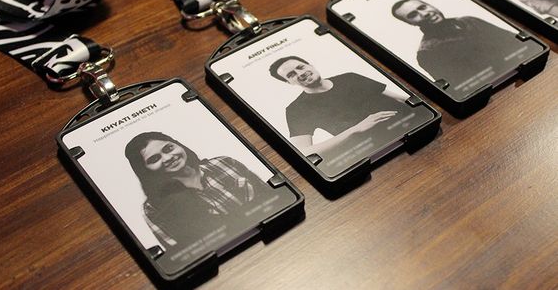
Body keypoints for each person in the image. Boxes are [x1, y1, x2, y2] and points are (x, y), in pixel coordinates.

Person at [125, 132, 271, 248]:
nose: (167, 158)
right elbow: (182, 252)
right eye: (154, 159)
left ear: (178, 145)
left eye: (168, 148)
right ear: (145, 170)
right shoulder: (152, 209)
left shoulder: (223, 163)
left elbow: (271, 196)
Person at [269, 56, 414, 160]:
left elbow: (399, 98)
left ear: (310, 65)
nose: (300, 74)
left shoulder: (349, 77)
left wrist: (421, 107)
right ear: (289, 83)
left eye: (300, 67)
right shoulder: (296, 110)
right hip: (376, 151)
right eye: (291, 75)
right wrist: (355, 129)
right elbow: (304, 151)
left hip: (410, 127)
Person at [391, 0, 521, 86]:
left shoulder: (470, 20)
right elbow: (466, 86)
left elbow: (517, 44)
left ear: (431, 5)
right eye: (413, 15)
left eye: (423, 7)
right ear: (409, 23)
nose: (425, 14)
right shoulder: (427, 53)